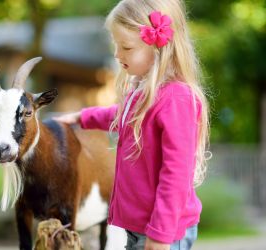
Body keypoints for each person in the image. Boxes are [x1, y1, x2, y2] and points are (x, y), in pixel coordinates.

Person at [54, 0, 210, 249]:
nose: (117, 54)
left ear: (159, 48)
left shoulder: (175, 99)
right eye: (116, 45)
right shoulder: (144, 92)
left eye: (126, 47)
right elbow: (122, 117)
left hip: (162, 233)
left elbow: (176, 175)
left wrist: (160, 236)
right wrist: (82, 117)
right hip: (141, 228)